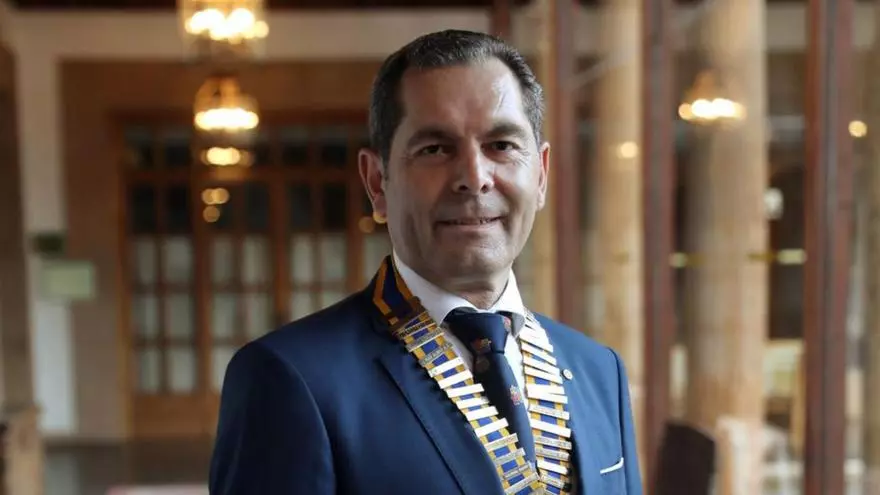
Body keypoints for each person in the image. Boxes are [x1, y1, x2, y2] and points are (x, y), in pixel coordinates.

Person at [209, 29, 642, 495]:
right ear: (377, 181)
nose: (474, 177)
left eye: (501, 145)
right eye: (435, 149)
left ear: (540, 175)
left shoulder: (599, 371)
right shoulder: (292, 379)